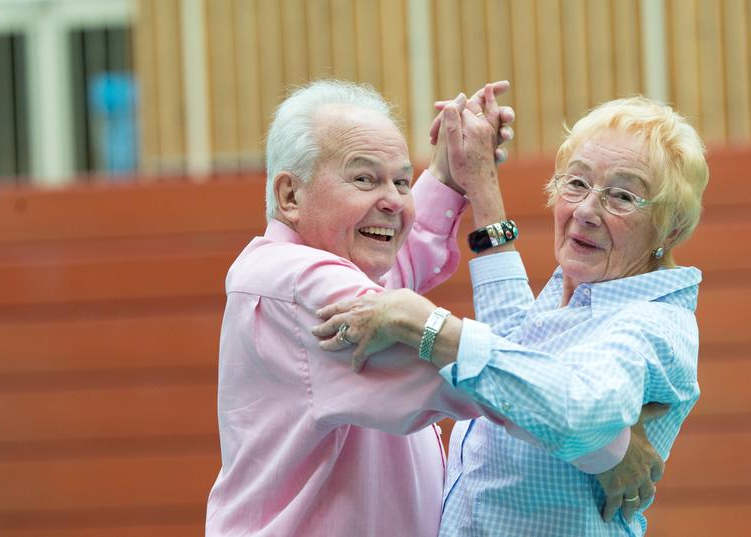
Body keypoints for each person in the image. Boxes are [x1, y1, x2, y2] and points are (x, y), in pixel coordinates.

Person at [205, 80, 661, 536]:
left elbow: (393, 281)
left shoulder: (315, 274)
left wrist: (449, 170)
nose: (392, 201)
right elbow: (495, 383)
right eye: (364, 178)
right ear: (289, 196)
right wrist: (609, 445)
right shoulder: (304, 286)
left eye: (401, 181)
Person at [314, 95, 710, 536]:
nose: (585, 211)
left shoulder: (652, 323)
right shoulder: (586, 290)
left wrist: (426, 326)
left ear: (671, 227)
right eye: (575, 183)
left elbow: (578, 411)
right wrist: (481, 183)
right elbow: (515, 352)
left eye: (621, 195)